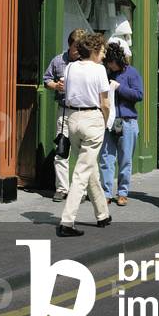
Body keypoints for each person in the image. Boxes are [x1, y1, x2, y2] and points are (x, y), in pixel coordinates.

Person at [57, 33, 112, 237]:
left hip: (73, 119)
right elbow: (105, 103)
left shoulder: (70, 67)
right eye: (102, 51)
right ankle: (67, 221)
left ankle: (102, 214)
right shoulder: (99, 70)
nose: (104, 56)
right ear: (94, 51)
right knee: (82, 173)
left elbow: (65, 91)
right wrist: (104, 122)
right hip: (92, 118)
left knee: (89, 168)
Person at [43, 29, 86, 201]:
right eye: (77, 47)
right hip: (64, 110)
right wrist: (56, 86)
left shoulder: (87, 63)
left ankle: (81, 190)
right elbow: (46, 80)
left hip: (83, 111)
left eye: (81, 47)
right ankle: (62, 188)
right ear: (70, 45)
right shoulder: (59, 61)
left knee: (82, 152)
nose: (79, 51)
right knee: (61, 150)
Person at [100, 42, 143, 206]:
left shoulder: (132, 73)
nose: (109, 65)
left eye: (111, 62)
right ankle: (106, 193)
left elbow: (139, 95)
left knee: (125, 159)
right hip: (109, 121)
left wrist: (119, 88)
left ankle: (123, 192)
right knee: (106, 157)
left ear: (117, 60)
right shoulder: (105, 73)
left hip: (126, 121)